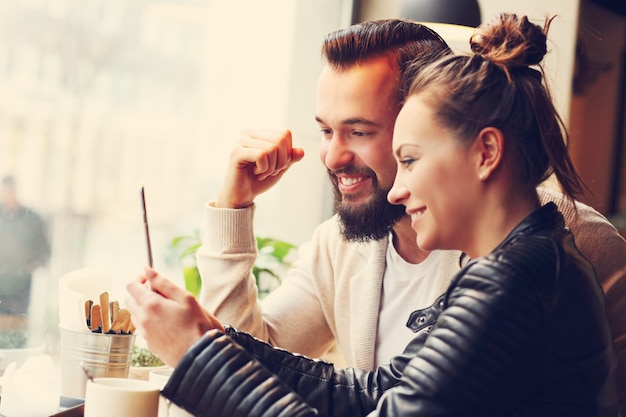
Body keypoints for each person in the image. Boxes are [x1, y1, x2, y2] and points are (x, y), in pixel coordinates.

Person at [127, 13, 619, 416]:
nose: (398, 189)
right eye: (325, 131)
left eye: (407, 157)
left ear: (485, 152)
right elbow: (372, 392)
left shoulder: (515, 278)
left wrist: (199, 355)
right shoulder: (527, 259)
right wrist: (211, 337)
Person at [0, 175, 51, 317]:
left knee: (18, 325)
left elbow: (45, 249)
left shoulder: (33, 219)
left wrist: (32, 265)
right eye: (6, 191)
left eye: (12, 191)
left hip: (21, 289)